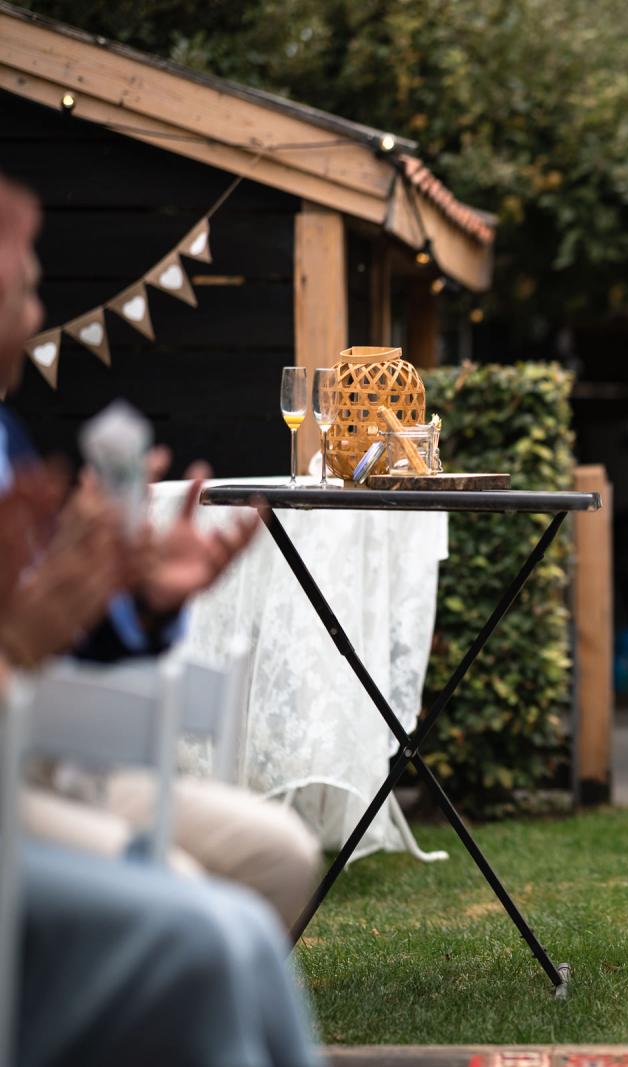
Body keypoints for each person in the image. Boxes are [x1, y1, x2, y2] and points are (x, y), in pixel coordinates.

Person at [1, 171, 322, 1067]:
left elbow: (42, 626)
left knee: (279, 859)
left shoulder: (8, 438)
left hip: (45, 759)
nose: (35, 310)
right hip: (17, 779)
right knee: (203, 927)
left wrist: (139, 600)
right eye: (24, 288)